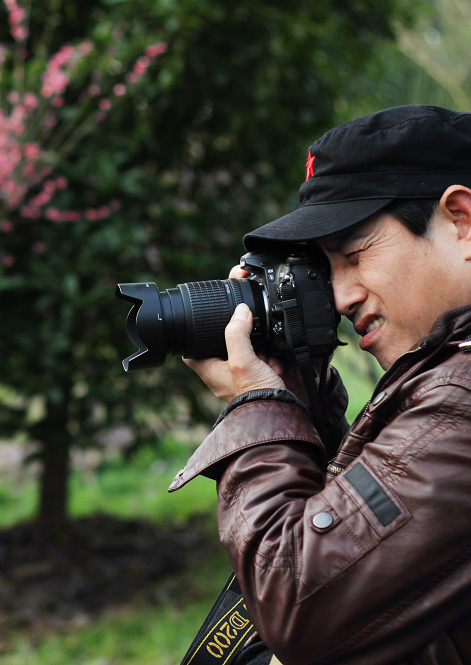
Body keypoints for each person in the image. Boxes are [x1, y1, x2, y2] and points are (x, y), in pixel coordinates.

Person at [170, 104, 471, 665]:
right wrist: (298, 393)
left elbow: (302, 607)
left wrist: (256, 405)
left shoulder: (461, 399)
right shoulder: (446, 374)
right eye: (327, 269)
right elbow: (374, 564)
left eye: (355, 255)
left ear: (461, 219)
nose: (340, 297)